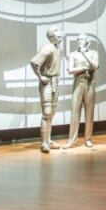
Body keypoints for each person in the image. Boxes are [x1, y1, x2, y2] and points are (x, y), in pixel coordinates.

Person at [31, 26, 64, 154]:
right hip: (47, 83)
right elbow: (34, 62)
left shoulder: (57, 49)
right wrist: (41, 77)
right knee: (47, 112)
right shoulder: (48, 48)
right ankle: (44, 142)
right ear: (51, 35)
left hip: (55, 82)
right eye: (57, 33)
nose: (60, 35)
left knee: (52, 113)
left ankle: (48, 140)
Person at [65, 34, 99, 150]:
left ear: (87, 41)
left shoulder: (93, 53)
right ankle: (72, 140)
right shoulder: (73, 54)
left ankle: (88, 139)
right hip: (78, 84)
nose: (79, 41)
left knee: (89, 113)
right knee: (75, 112)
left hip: (90, 84)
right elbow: (70, 70)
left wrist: (85, 54)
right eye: (78, 39)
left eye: (82, 39)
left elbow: (95, 65)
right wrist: (84, 68)